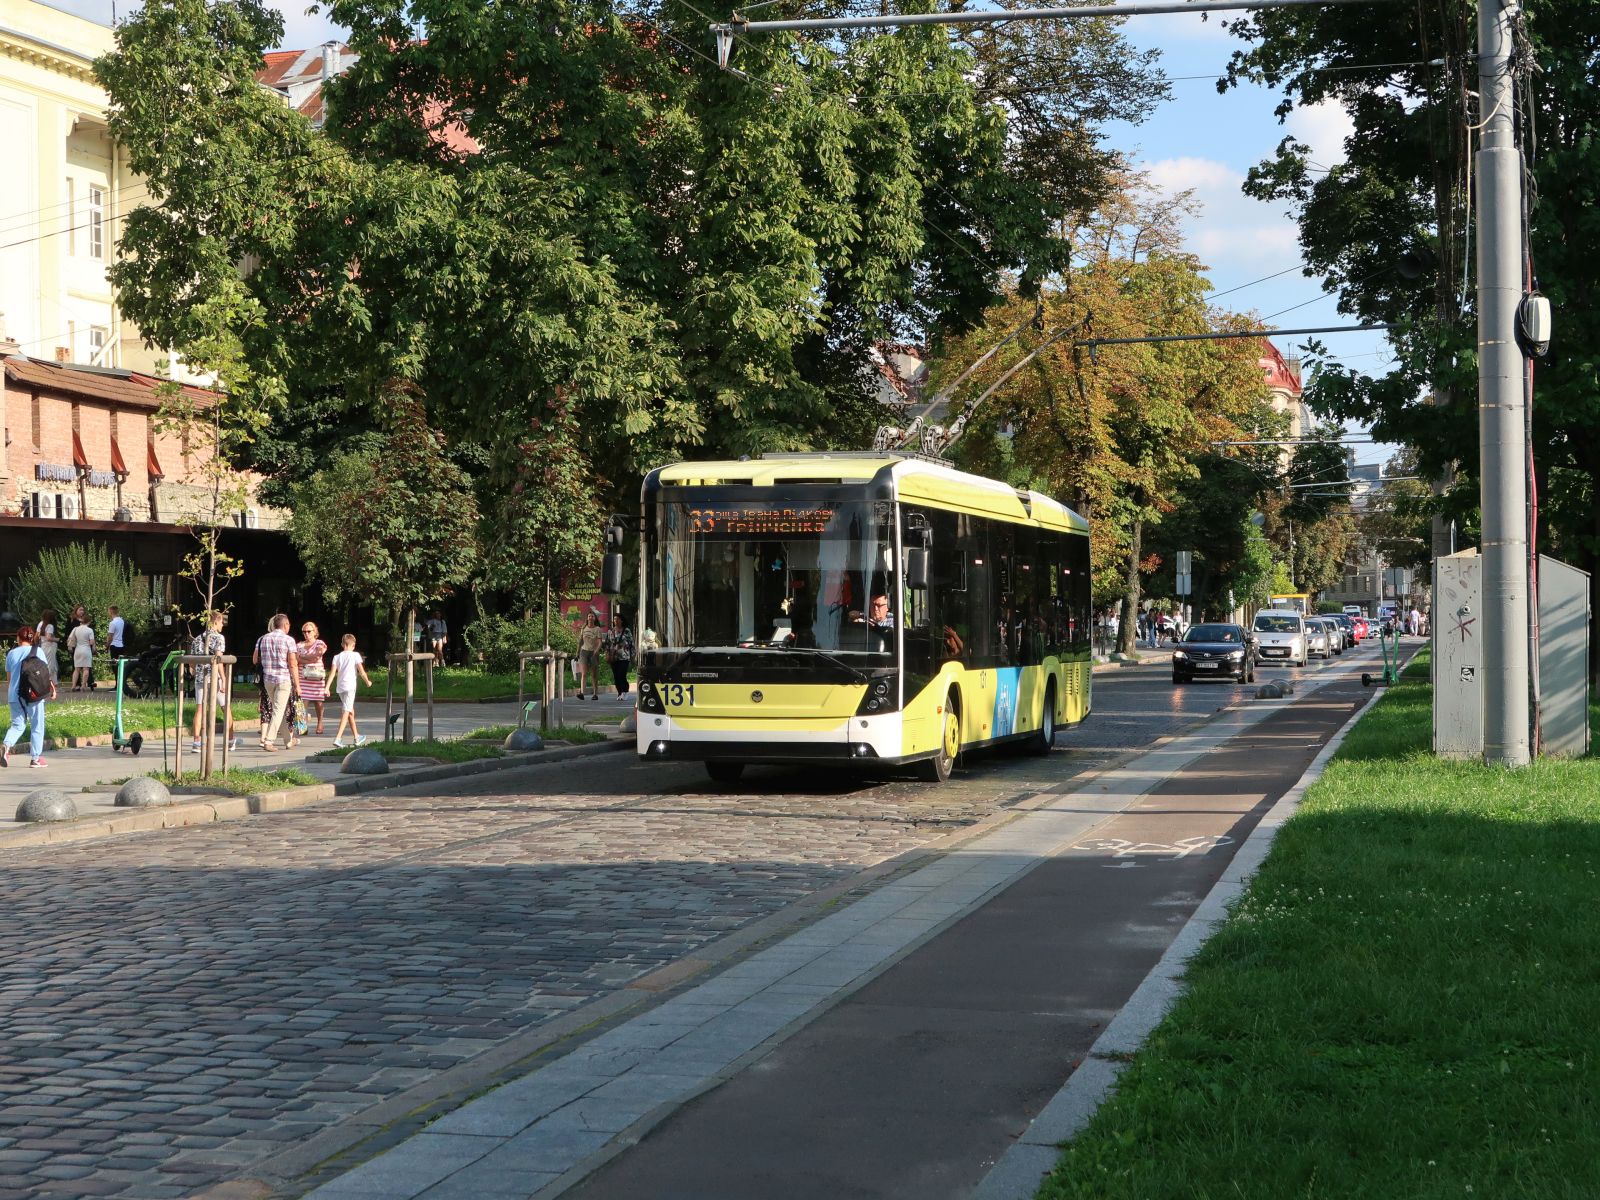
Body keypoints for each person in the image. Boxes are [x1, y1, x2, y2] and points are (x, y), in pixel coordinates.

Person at [3, 625, 55, 768]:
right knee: (37, 725)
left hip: (14, 694)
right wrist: (51, 688)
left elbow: (10, 678)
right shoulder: (38, 651)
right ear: (32, 638)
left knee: (17, 725)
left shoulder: (11, 654)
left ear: (18, 638)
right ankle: (35, 759)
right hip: (34, 694)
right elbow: (44, 673)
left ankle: (6, 747)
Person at [189, 611, 237, 752]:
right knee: (225, 707)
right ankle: (230, 740)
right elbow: (218, 660)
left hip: (200, 677)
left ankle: (196, 742)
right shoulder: (219, 638)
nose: (223, 625)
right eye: (221, 622)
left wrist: (196, 671)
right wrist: (223, 678)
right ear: (215, 622)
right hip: (214, 677)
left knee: (200, 709)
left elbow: (191, 662)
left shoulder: (197, 639)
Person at [253, 613, 300, 751]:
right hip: (283, 679)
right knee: (278, 710)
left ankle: (289, 740)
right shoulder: (289, 640)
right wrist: (297, 684)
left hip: (268, 680)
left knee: (278, 710)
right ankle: (269, 740)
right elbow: (292, 664)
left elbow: (255, 659)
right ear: (285, 625)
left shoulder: (263, 639)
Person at [330, 633, 373, 749]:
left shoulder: (337, 657)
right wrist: (367, 681)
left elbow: (333, 673)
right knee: (346, 712)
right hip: (350, 687)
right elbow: (361, 671)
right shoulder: (355, 655)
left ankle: (357, 737)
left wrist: (327, 687)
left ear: (342, 644)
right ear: (353, 645)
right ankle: (338, 738)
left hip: (340, 688)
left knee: (350, 712)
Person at [295, 621, 330, 736]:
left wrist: (303, 657)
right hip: (303, 678)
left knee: (318, 702)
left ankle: (320, 722)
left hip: (316, 678)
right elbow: (296, 659)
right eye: (304, 632)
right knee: (302, 701)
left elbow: (317, 656)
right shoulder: (299, 645)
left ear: (315, 632)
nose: (306, 634)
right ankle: (302, 726)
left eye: (309, 631)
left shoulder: (320, 643)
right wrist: (307, 659)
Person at [604, 614, 634, 697]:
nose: (616, 621)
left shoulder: (626, 630)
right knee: (616, 675)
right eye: (614, 619)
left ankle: (625, 691)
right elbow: (607, 643)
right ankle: (620, 692)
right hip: (614, 657)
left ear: (621, 620)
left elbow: (631, 643)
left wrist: (633, 655)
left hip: (624, 656)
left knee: (622, 674)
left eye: (617, 619)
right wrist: (607, 653)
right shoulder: (610, 631)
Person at [576, 612, 605, 700]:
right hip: (584, 651)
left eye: (592, 616)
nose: (590, 617)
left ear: (595, 618)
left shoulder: (597, 629)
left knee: (593, 674)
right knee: (584, 673)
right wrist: (577, 652)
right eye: (589, 616)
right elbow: (580, 641)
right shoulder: (584, 628)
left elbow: (600, 642)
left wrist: (596, 651)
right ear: (587, 618)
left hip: (593, 652)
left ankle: (595, 694)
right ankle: (582, 693)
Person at [67, 618, 95, 692]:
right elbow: (92, 642)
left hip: (77, 650)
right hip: (86, 650)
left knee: (76, 669)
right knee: (86, 669)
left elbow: (70, 638)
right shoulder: (89, 630)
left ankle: (73, 685)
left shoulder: (75, 629)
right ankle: (83, 685)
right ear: (88, 622)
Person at [37, 609, 60, 685]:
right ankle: (50, 683)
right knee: (51, 664)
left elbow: (37, 635)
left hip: (43, 645)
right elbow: (48, 638)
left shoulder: (41, 623)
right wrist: (57, 639)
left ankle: (53, 682)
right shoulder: (50, 626)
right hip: (50, 646)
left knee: (47, 663)